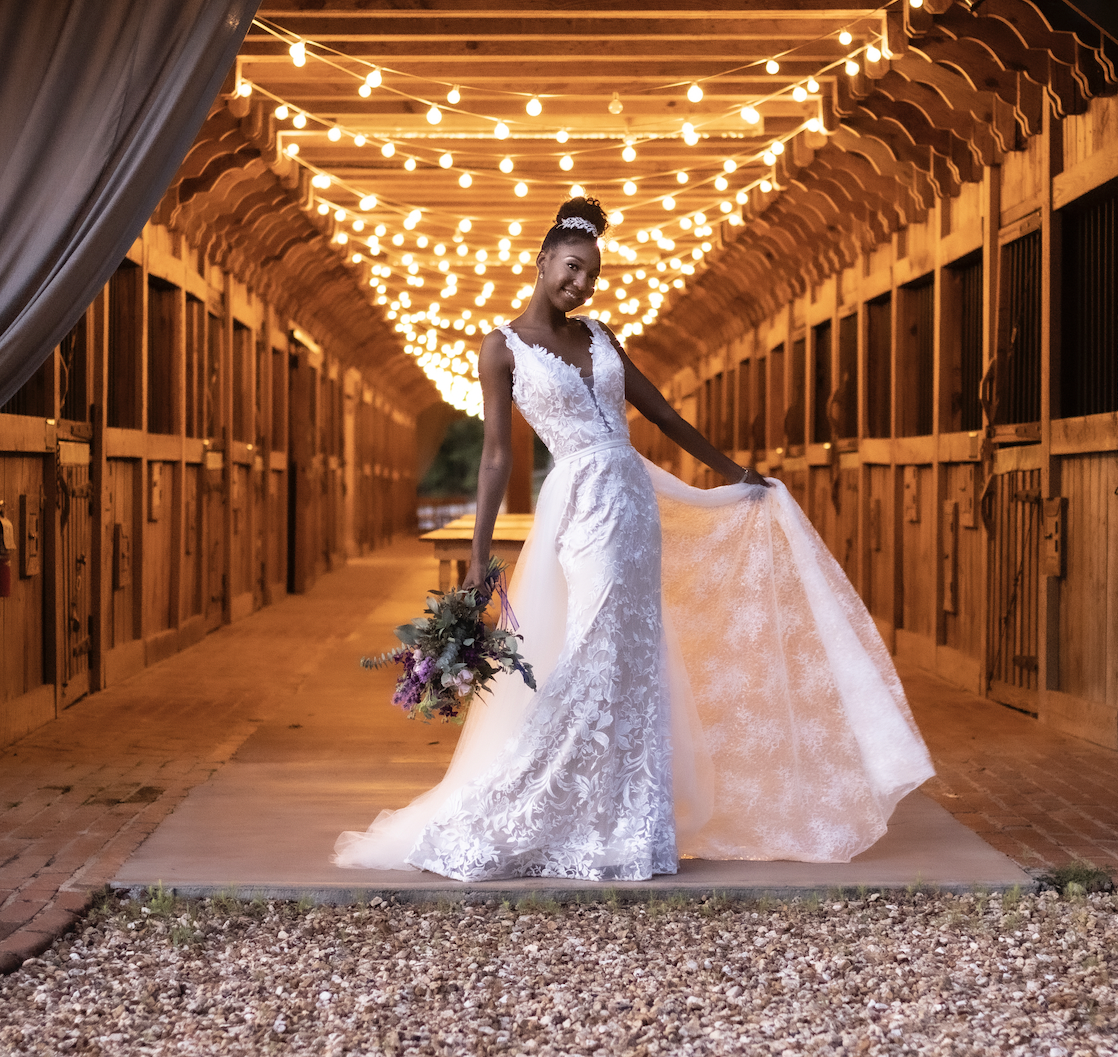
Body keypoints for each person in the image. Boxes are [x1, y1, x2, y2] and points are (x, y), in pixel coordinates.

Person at [333, 197, 933, 881]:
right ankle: (523, 806)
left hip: (633, 500)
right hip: (582, 504)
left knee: (632, 659)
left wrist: (732, 472)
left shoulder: (602, 335)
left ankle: (619, 826)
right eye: (571, 267)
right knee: (591, 649)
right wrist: (478, 555)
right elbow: (497, 455)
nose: (581, 284)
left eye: (591, 274)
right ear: (541, 262)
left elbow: (663, 414)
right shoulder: (501, 347)